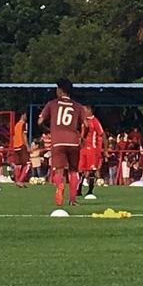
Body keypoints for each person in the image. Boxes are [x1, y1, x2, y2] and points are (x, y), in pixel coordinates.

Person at [37, 78, 86, 207]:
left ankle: (60, 186)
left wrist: (49, 130)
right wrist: (82, 137)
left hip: (58, 140)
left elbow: (40, 122)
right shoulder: (78, 106)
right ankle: (73, 200)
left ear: (59, 90)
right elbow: (86, 125)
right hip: (73, 140)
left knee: (58, 170)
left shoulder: (52, 104)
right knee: (74, 171)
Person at [78, 105, 106, 196]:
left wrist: (105, 149)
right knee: (81, 170)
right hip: (83, 149)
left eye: (84, 110)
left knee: (91, 170)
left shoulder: (95, 121)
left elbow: (102, 134)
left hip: (93, 150)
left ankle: (90, 191)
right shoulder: (84, 121)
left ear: (89, 110)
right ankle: (79, 190)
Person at [11, 115, 30, 187]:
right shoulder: (24, 124)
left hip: (16, 146)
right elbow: (24, 135)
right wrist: (27, 146)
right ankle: (20, 180)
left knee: (18, 164)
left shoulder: (16, 125)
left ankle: (17, 180)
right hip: (21, 145)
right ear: (22, 116)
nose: (26, 117)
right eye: (25, 115)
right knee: (27, 164)